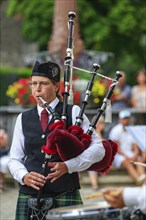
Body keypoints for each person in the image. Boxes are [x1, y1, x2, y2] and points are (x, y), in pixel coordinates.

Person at [8, 61, 105, 220]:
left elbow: (99, 149)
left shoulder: (72, 112)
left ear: (57, 87)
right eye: (34, 84)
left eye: (43, 84)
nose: (37, 89)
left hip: (64, 192)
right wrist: (23, 175)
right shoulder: (23, 118)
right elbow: (14, 159)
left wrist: (69, 166)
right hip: (29, 194)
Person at [109, 109, 145, 185]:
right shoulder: (115, 130)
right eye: (124, 118)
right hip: (118, 154)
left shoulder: (132, 129)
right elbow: (117, 148)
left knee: (138, 160)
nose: (126, 120)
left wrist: (135, 155)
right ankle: (138, 179)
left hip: (128, 153)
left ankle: (142, 179)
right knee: (126, 161)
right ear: (120, 120)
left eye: (127, 118)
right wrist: (128, 156)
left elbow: (135, 146)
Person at [88, 115, 106, 191]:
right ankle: (95, 185)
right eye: (98, 123)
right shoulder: (89, 131)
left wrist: (98, 131)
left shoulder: (105, 132)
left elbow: (105, 145)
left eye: (101, 123)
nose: (99, 125)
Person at [0, 128, 10, 192]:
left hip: (4, 156)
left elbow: (6, 149)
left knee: (2, 163)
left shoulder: (4, 136)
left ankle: (1, 183)